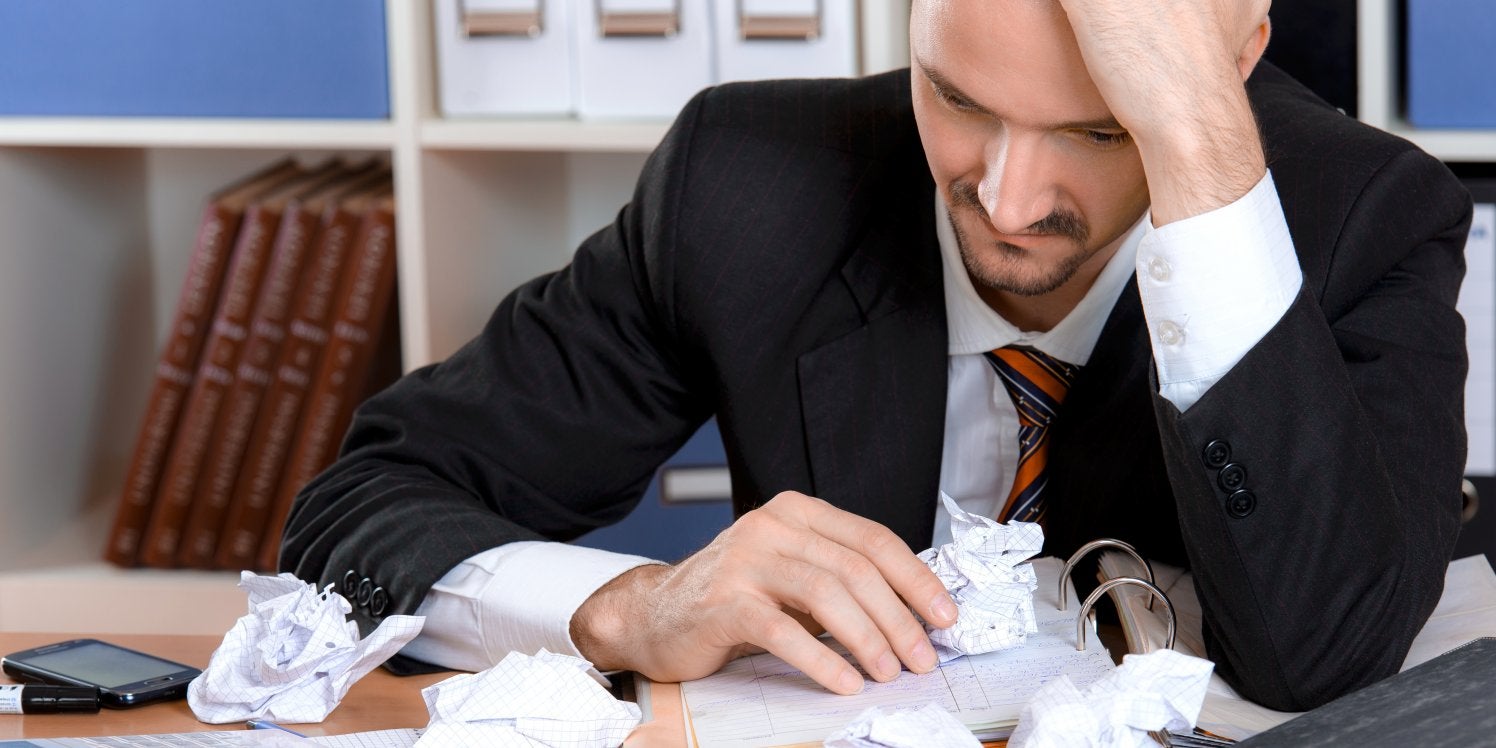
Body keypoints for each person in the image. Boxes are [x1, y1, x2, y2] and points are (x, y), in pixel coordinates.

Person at [282, 0, 1471, 713]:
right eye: (956, 98)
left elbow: (1325, 650)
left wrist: (1200, 146)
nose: (1007, 199)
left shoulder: (1358, 220)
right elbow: (361, 511)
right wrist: (630, 607)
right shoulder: (745, 180)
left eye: (1098, 129)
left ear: (1238, 59)